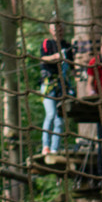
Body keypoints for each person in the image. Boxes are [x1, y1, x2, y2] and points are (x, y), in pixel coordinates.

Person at [39, 21, 73, 158]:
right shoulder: (47, 43)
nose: (57, 32)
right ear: (50, 30)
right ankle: (45, 146)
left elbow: (72, 63)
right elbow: (42, 58)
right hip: (48, 84)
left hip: (62, 86)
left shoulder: (67, 46)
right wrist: (55, 57)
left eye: (59, 30)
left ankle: (54, 148)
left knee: (60, 119)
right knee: (51, 114)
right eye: (54, 30)